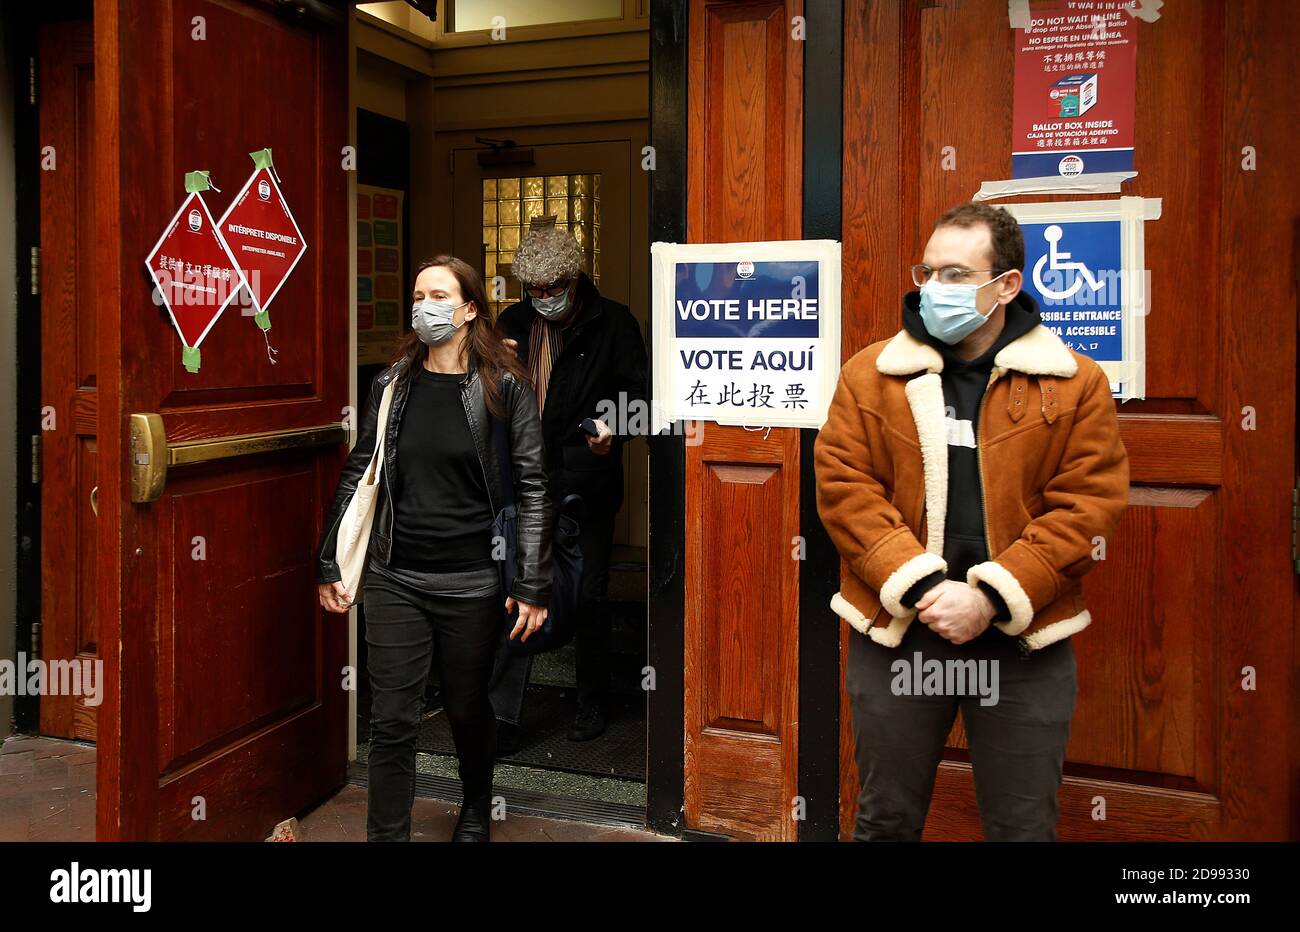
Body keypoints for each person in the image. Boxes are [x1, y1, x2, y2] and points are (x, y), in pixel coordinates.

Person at [814, 202, 1129, 841]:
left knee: (1022, 826)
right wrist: (928, 590)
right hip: (900, 630)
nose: (934, 289)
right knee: (885, 820)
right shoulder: (870, 376)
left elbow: (1088, 506)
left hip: (1022, 638)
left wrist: (988, 597)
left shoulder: (1075, 384)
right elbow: (846, 491)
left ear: (1006, 285)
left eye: (956, 275)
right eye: (928, 272)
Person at [315, 256, 552, 842]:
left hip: (472, 579)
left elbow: (533, 484)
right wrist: (328, 558)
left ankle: (476, 805)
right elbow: (358, 470)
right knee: (393, 721)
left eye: (440, 295)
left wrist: (532, 582)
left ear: (470, 309)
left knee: (467, 707)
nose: (426, 306)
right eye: (419, 295)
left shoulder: (505, 386)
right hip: (396, 574)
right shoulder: (393, 382)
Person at [488, 223, 648, 747]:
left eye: (552, 288)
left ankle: (591, 701)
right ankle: (504, 717)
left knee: (591, 595)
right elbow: (483, 399)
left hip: (586, 479)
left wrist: (614, 430)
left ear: (574, 279)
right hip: (521, 479)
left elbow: (642, 401)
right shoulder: (512, 321)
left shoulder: (614, 322)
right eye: (532, 290)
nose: (543, 299)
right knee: (514, 590)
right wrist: (491, 365)